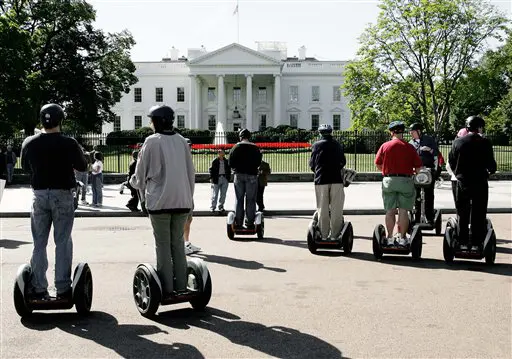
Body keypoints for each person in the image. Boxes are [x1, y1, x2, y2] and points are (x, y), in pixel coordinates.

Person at [20, 103, 87, 300]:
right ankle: (63, 287)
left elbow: (25, 168)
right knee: (62, 241)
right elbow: (82, 166)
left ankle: (39, 287)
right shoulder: (69, 143)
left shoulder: (29, 142)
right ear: (61, 120)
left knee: (39, 243)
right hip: (62, 194)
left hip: (39, 194)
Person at [130, 105, 195, 296]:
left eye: (151, 120)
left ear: (157, 122)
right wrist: (189, 199)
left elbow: (140, 176)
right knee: (177, 244)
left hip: (160, 202)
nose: (150, 124)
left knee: (163, 245)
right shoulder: (182, 141)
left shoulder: (151, 142)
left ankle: (166, 288)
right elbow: (190, 173)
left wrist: (132, 182)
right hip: (182, 200)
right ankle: (181, 286)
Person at [448, 116, 497, 251]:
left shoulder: (458, 142)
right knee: (478, 212)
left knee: (462, 212)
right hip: (479, 181)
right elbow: (491, 165)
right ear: (480, 127)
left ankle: (462, 240)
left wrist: (458, 173)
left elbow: (451, 161)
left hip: (462, 181)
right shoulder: (485, 142)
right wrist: (488, 172)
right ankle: (476, 242)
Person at [375, 121, 423, 245]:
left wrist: (386, 171)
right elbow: (418, 167)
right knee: (403, 211)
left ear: (391, 132)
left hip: (389, 180)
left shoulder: (385, 146)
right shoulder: (409, 147)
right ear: (403, 132)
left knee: (390, 210)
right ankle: (402, 238)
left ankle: (390, 237)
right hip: (405, 180)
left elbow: (378, 164)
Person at [309, 124, 347, 240]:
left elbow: (312, 164)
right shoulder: (337, 144)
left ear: (320, 133)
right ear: (331, 132)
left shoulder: (316, 145)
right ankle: (335, 235)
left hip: (321, 179)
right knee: (336, 209)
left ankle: (324, 235)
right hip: (336, 179)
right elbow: (343, 161)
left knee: (322, 208)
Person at [228, 128, 262, 229]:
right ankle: (250, 222)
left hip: (238, 175)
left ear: (240, 137)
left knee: (239, 199)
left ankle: (238, 222)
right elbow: (258, 162)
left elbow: (230, 162)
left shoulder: (236, 147)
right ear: (249, 137)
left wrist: (236, 168)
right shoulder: (255, 148)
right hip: (251, 175)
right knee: (251, 200)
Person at [408, 123, 439, 225]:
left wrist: (429, 149)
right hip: (416, 172)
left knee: (429, 194)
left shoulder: (429, 140)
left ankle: (429, 217)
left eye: (413, 132)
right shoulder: (410, 143)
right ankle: (417, 217)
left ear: (419, 131)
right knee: (416, 195)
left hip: (428, 170)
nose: (411, 134)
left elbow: (436, 154)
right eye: (410, 132)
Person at [183, 138, 201, 255]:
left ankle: (186, 242)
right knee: (182, 220)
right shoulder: (181, 159)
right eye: (188, 146)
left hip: (189, 193)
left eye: (190, 146)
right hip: (183, 194)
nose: (189, 148)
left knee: (189, 219)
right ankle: (181, 245)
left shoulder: (188, 159)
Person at [209, 148, 231, 213]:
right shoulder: (215, 161)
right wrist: (211, 178)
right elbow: (211, 170)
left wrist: (228, 178)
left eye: (223, 152)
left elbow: (229, 170)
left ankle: (221, 206)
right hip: (217, 178)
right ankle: (213, 207)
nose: (222, 153)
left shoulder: (226, 161)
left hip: (224, 178)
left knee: (223, 194)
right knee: (215, 194)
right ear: (218, 153)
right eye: (220, 152)